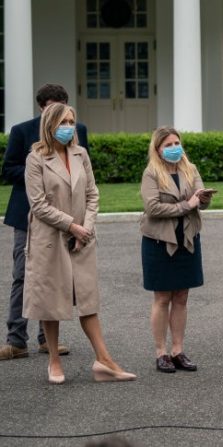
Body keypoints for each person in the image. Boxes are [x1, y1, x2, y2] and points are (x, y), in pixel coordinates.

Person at [23, 103, 135, 384]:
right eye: (63, 122)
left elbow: (92, 194)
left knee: (88, 299)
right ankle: (54, 361)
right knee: (51, 301)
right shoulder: (36, 158)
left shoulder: (80, 153)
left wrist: (84, 229)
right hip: (49, 239)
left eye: (71, 121)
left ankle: (104, 360)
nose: (68, 127)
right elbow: (38, 205)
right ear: (50, 125)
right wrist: (70, 225)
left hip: (81, 238)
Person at [0, 84, 87, 361]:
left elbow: (83, 173)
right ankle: (16, 340)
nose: (60, 116)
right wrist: (41, 169)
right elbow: (8, 170)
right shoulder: (22, 131)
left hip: (65, 216)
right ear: (41, 107)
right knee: (23, 275)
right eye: (51, 107)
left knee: (56, 277)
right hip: (28, 214)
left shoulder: (78, 131)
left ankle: (46, 339)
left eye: (62, 107)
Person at [140, 126, 213, 373]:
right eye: (168, 145)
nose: (174, 148)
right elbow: (153, 208)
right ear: (158, 149)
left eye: (176, 143)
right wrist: (187, 205)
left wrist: (203, 199)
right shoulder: (151, 173)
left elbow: (200, 201)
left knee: (182, 296)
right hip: (160, 242)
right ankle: (161, 353)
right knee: (162, 298)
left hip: (188, 240)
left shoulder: (189, 169)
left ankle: (178, 350)